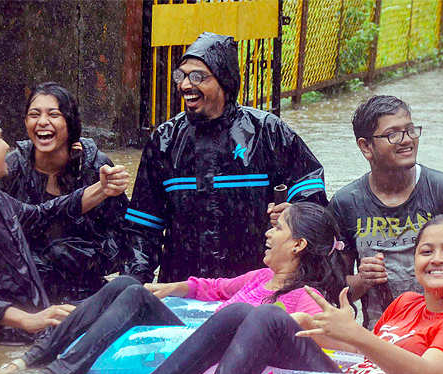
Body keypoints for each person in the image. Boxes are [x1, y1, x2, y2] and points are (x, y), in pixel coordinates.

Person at [55, 214, 443, 374]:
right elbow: (371, 353)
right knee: (247, 312)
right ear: (414, 261)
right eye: (426, 251)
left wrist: (354, 334)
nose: (436, 260)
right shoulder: (408, 303)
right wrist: (329, 330)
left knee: (265, 315)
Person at [11, 201, 346, 374]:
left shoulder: (305, 298)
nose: (268, 234)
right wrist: (173, 286)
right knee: (127, 285)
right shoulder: (260, 277)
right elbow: (213, 288)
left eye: (278, 228)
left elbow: (330, 346)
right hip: (193, 335)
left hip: (214, 351)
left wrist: (343, 328)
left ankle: (58, 373)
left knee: (133, 295)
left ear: (298, 244)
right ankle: (38, 355)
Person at [124, 32, 327, 284]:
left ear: (225, 80)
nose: (185, 85)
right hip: (183, 288)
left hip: (253, 288)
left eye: (197, 76)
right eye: (182, 75)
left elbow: (312, 194)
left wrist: (295, 211)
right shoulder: (164, 141)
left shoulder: (268, 132)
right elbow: (143, 229)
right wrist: (132, 287)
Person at [0, 102, 129, 345]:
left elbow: (41, 215)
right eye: (0, 137)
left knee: (125, 290)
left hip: (29, 336)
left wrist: (100, 189)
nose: (7, 146)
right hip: (5, 343)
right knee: (130, 297)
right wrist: (25, 320)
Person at [329, 95, 443, 330]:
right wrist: (363, 281)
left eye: (411, 130)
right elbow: (332, 289)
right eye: (393, 134)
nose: (407, 140)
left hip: (442, 331)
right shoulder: (345, 203)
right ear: (365, 147)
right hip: (379, 337)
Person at [0, 82, 143, 303]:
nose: (42, 122)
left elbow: (127, 236)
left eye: (53, 114)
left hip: (85, 289)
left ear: (70, 122)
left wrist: (85, 257)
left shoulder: (96, 167)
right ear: (26, 121)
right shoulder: (10, 168)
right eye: (34, 114)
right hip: (24, 292)